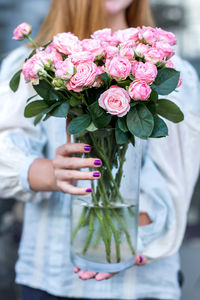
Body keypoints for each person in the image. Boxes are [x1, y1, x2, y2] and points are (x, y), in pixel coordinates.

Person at [0, 0, 200, 299]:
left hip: (142, 287)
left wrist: (132, 240)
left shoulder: (170, 70)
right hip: (49, 276)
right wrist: (50, 173)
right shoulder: (32, 66)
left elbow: (175, 179)